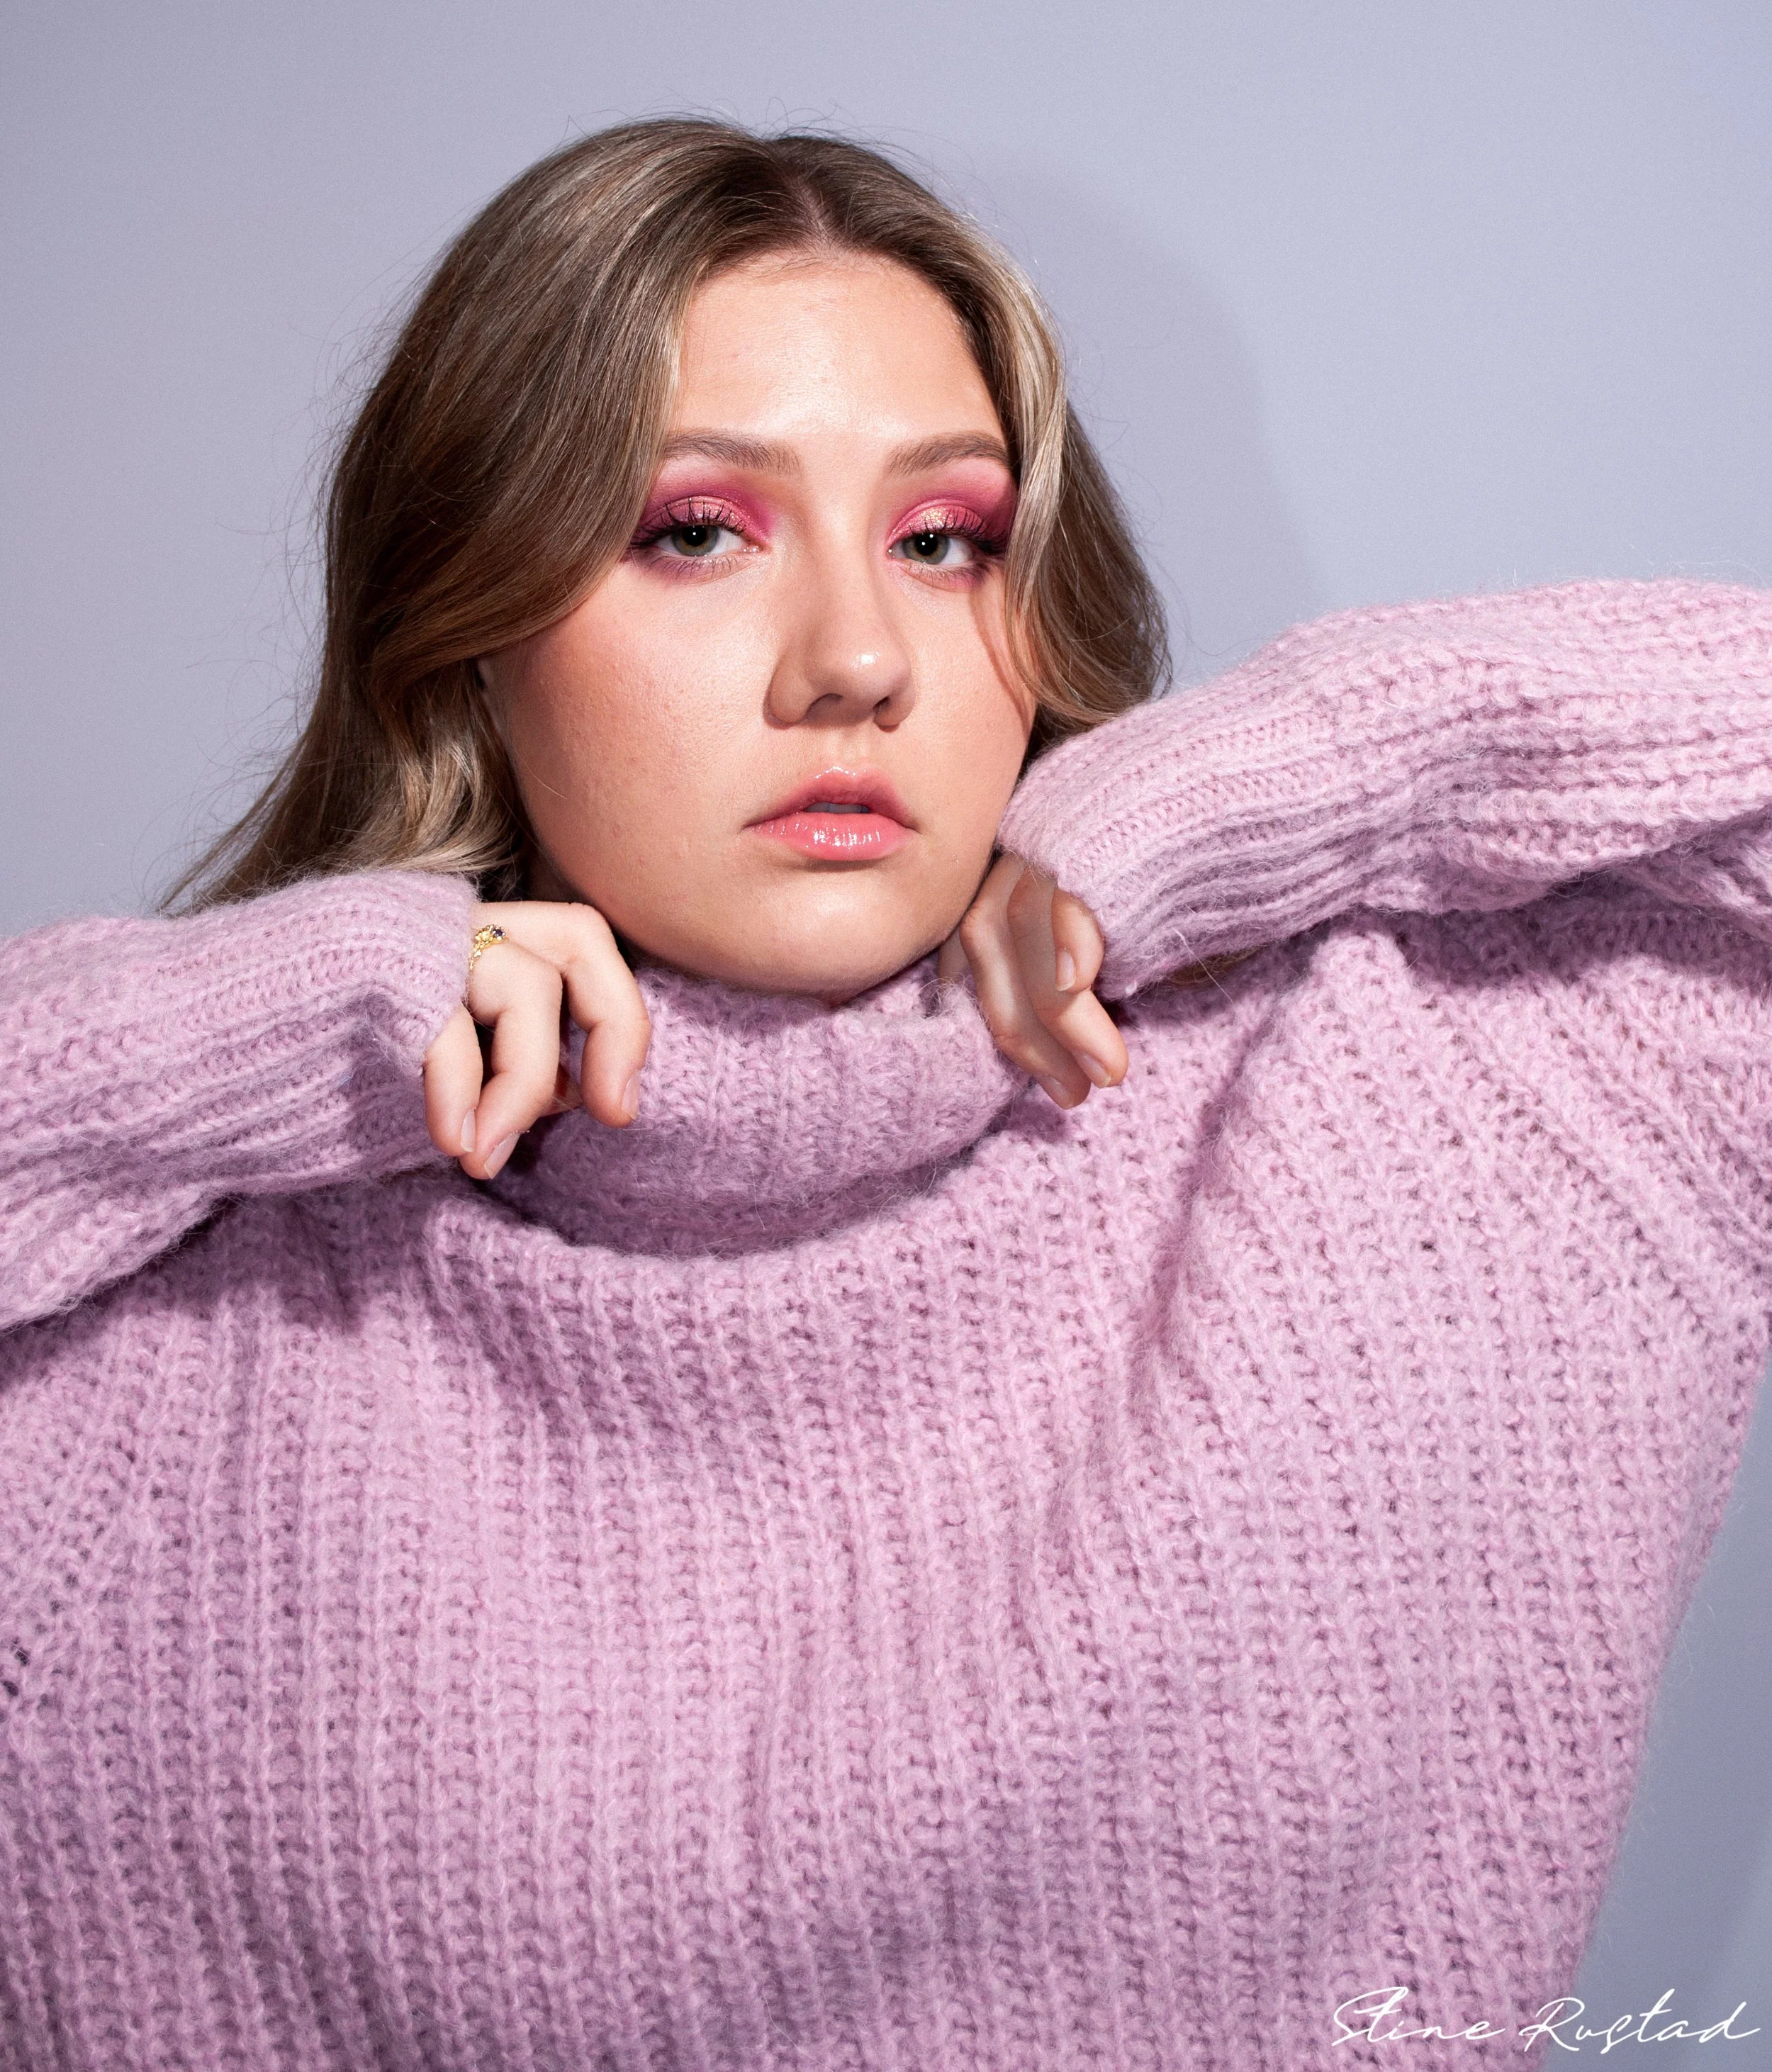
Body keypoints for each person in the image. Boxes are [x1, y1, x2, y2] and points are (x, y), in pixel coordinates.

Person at [2, 116, 1768, 2072]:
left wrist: (1213, 802)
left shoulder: (1455, 1116)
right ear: (471, 638)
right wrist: (297, 1019)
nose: (853, 659)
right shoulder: (147, 1372)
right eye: (692, 530)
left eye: (946, 542)